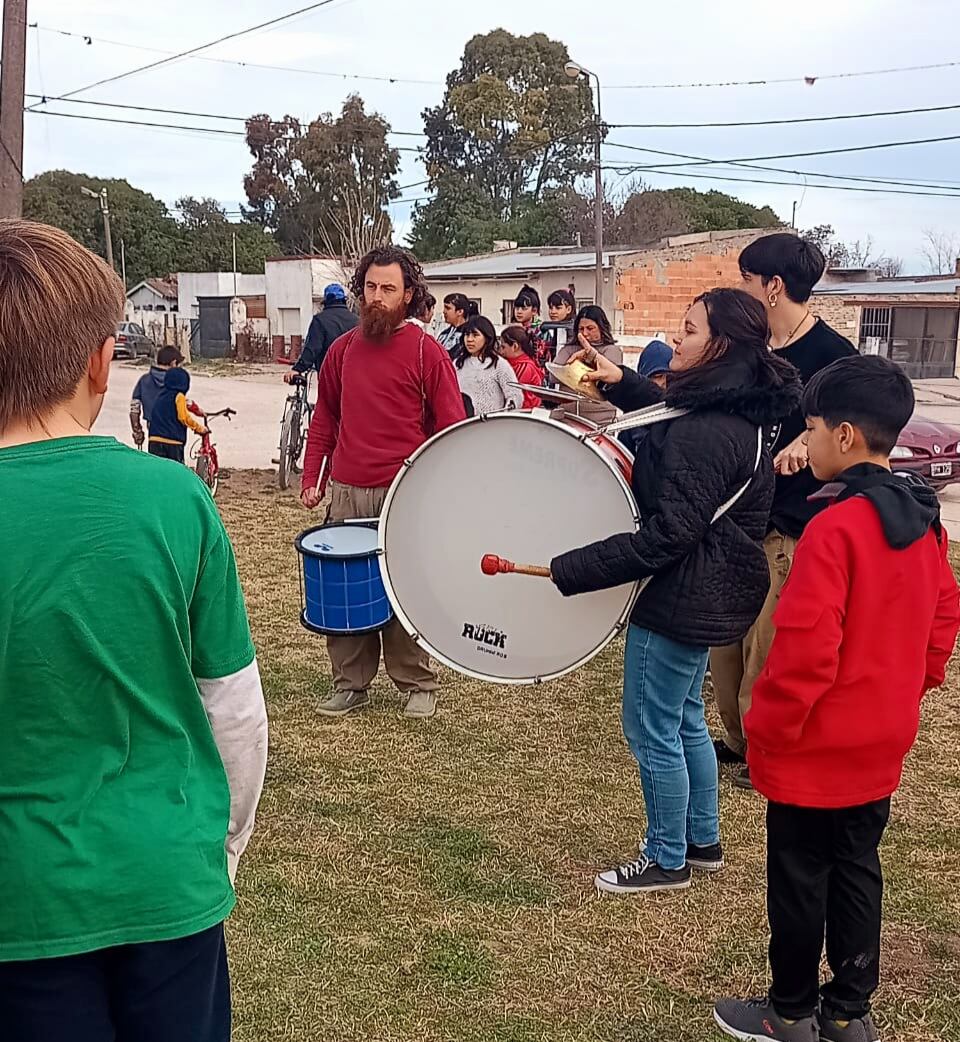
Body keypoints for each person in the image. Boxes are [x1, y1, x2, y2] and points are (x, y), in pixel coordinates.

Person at [0, 219, 268, 1041]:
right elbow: (234, 710)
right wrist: (214, 851)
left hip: (23, 899)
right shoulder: (175, 499)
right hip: (167, 879)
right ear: (97, 359)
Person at [714, 355, 960, 1042]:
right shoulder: (924, 523)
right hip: (880, 741)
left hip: (814, 749)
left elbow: (804, 652)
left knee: (798, 880)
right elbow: (945, 614)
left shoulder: (833, 529)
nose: (808, 441)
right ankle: (849, 1010)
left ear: (846, 435)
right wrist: (911, 686)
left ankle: (789, 1010)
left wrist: (767, 730)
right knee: (857, 871)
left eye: (813, 428)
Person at [549, 288, 800, 895]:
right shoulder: (736, 409)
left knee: (650, 725)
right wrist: (619, 381)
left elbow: (668, 537)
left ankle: (666, 858)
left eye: (689, 331)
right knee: (684, 716)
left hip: (682, 595)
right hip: (714, 589)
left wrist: (573, 568)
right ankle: (702, 839)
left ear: (718, 346)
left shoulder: (708, 432)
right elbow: (672, 412)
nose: (678, 339)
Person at [709, 233, 858, 790]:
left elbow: (857, 436)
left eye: (745, 279)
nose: (739, 288)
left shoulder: (833, 358)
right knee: (725, 648)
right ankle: (737, 741)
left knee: (767, 654)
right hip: (733, 521)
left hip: (789, 529)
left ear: (773, 287)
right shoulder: (745, 349)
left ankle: (766, 756)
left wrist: (808, 442)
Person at [300, 246, 466, 720]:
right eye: (370, 287)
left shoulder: (425, 351)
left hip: (404, 494)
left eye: (388, 289)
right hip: (348, 490)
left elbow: (450, 429)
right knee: (346, 588)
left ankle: (418, 683)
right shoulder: (342, 350)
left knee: (404, 590)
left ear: (408, 295)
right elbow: (325, 418)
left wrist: (443, 492)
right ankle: (350, 684)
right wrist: (314, 476)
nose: (377, 297)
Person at [552, 305, 623, 426]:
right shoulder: (569, 349)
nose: (585, 333)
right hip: (568, 417)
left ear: (602, 328)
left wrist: (581, 364)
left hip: (600, 419)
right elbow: (553, 376)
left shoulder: (611, 350)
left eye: (590, 328)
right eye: (581, 329)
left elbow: (608, 380)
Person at [284, 283, 358, 383]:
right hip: (353, 377)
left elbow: (312, 348)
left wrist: (298, 369)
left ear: (326, 301)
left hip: (329, 376)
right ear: (344, 300)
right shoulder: (357, 321)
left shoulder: (320, 320)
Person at [453, 315, 524, 416]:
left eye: (475, 335)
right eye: (467, 335)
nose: (469, 339)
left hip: (491, 427)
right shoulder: (457, 364)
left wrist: (505, 413)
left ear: (486, 337)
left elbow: (515, 395)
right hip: (463, 425)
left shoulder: (499, 365)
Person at [618, 340, 673, 455]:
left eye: (669, 376)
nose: (664, 383)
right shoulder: (633, 417)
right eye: (657, 376)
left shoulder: (684, 411)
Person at [148, 365, 208, 463]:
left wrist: (196, 409)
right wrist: (199, 428)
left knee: (158, 473)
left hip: (154, 440)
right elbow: (183, 417)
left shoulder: (160, 396)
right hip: (173, 442)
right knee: (175, 474)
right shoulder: (179, 396)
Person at [129, 345, 183, 447]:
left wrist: (137, 431)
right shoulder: (176, 382)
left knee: (156, 459)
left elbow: (134, 409)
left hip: (153, 430)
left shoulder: (144, 380)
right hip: (175, 432)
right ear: (173, 363)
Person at [499, 324, 544, 409]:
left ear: (515, 346)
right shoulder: (514, 363)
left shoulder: (525, 367)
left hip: (524, 414)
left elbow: (512, 389)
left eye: (503, 347)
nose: (501, 351)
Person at [513, 284, 552, 367]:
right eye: (517, 308)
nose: (519, 312)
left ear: (534, 310)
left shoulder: (541, 331)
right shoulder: (515, 329)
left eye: (524, 308)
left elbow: (541, 359)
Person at [437, 292, 474, 357]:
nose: (444, 312)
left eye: (448, 308)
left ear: (460, 312)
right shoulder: (443, 334)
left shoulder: (469, 334)